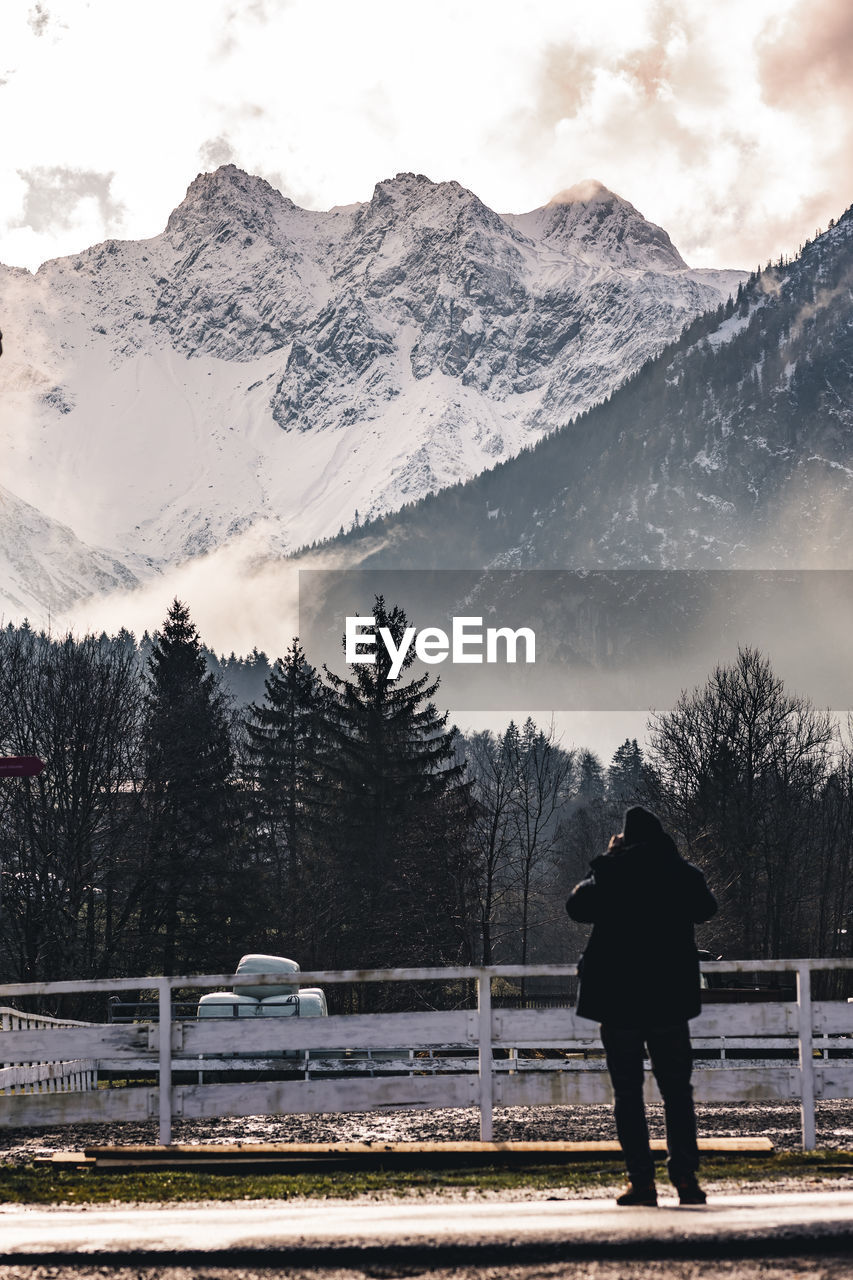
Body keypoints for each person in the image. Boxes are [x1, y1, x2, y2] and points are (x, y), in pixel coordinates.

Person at [566, 804, 717, 1207]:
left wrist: (606, 862)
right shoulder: (679, 873)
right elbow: (706, 908)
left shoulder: (612, 871)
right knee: (677, 1093)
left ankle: (642, 1182)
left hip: (619, 1002)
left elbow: (576, 907)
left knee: (628, 1094)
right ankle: (685, 1179)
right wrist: (677, 864)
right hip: (668, 1000)